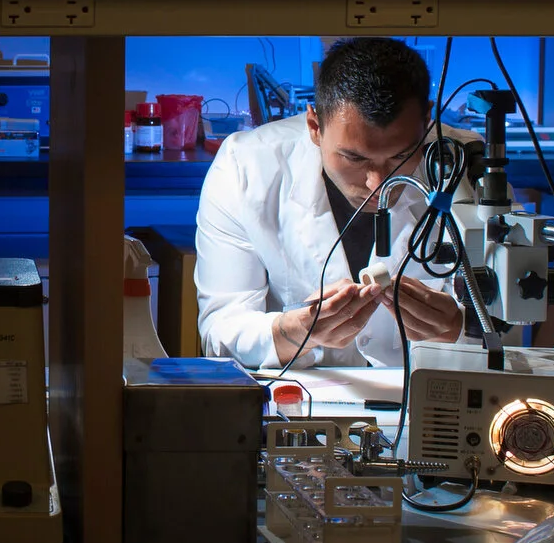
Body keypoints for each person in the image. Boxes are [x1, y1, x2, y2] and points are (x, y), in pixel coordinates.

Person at [196, 37, 468, 369]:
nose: (378, 184)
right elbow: (219, 332)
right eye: (354, 157)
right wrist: (294, 332)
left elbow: (508, 330)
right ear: (314, 126)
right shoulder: (246, 167)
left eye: (400, 155)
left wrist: (459, 328)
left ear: (427, 121)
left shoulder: (468, 166)